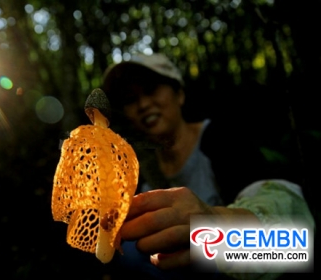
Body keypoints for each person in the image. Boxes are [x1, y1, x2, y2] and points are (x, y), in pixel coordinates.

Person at [101, 53, 315, 279]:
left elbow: (292, 242)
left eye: (151, 90)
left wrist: (218, 226)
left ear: (179, 95)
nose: (143, 104)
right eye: (130, 99)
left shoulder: (221, 141)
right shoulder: (141, 168)